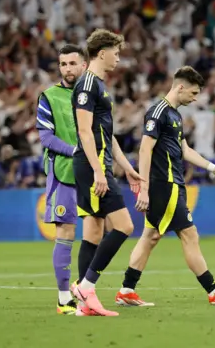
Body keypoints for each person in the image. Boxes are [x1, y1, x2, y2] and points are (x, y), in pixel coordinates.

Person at [115, 66, 215, 307]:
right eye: (193, 93)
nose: (195, 98)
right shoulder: (158, 112)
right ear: (180, 87)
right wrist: (143, 188)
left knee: (150, 236)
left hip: (170, 183)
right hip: (165, 184)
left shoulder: (175, 115)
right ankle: (214, 290)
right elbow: (144, 149)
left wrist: (213, 167)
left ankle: (126, 289)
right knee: (189, 234)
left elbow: (185, 151)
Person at [71, 29, 144, 316]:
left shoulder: (99, 85)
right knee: (124, 226)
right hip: (93, 167)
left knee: (92, 233)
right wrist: (100, 172)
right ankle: (86, 286)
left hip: (97, 165)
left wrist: (127, 169)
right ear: (102, 52)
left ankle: (85, 305)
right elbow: (85, 131)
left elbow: (106, 134)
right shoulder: (87, 84)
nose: (118, 58)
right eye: (116, 52)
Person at [36, 44, 87, 314]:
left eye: (72, 63)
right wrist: (74, 151)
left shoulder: (92, 94)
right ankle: (64, 297)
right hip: (64, 172)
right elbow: (45, 138)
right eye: (63, 64)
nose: (67, 69)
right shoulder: (49, 97)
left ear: (84, 66)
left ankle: (88, 288)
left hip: (92, 173)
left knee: (107, 229)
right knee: (66, 232)